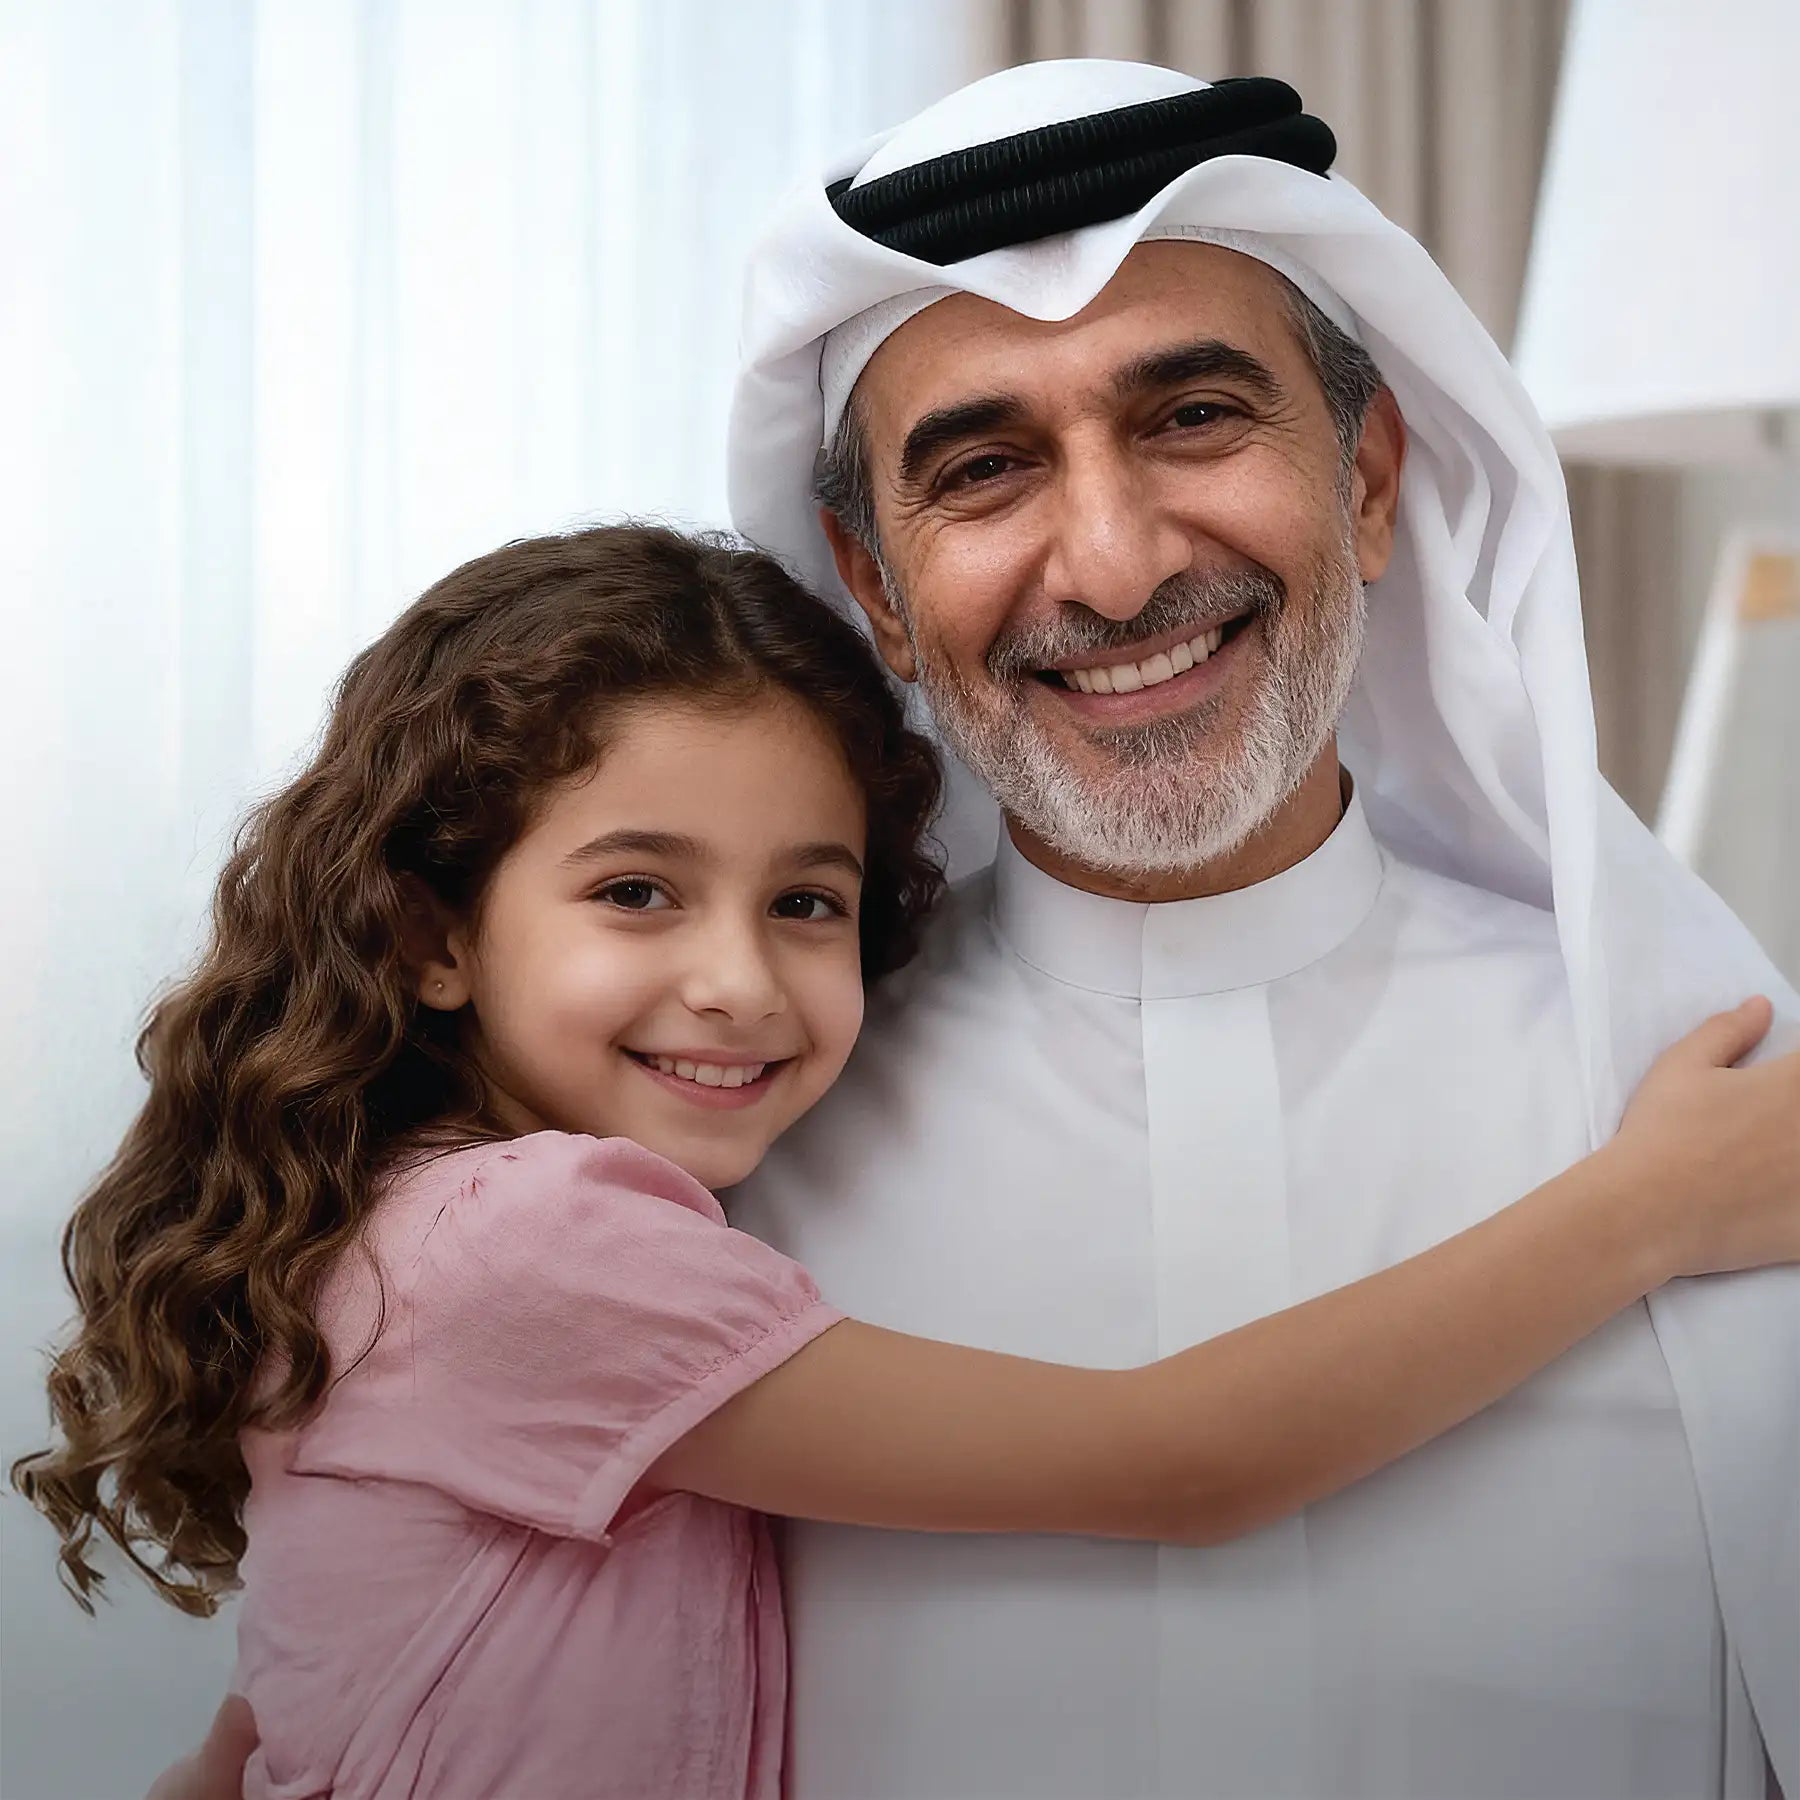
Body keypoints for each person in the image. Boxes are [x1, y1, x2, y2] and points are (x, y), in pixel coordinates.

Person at [18, 525, 1800, 1800]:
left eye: (808, 901)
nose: (738, 978)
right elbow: (1167, 1459)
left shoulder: (408, 1228)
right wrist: (1645, 1207)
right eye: (637, 890)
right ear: (429, 931)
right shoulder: (528, 1242)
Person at [720, 59, 1800, 1800]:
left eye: (1195, 419)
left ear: (1371, 478)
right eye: (986, 468)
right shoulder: (727, 1158)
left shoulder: (1704, 1108)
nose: (1118, 564)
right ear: (877, 596)